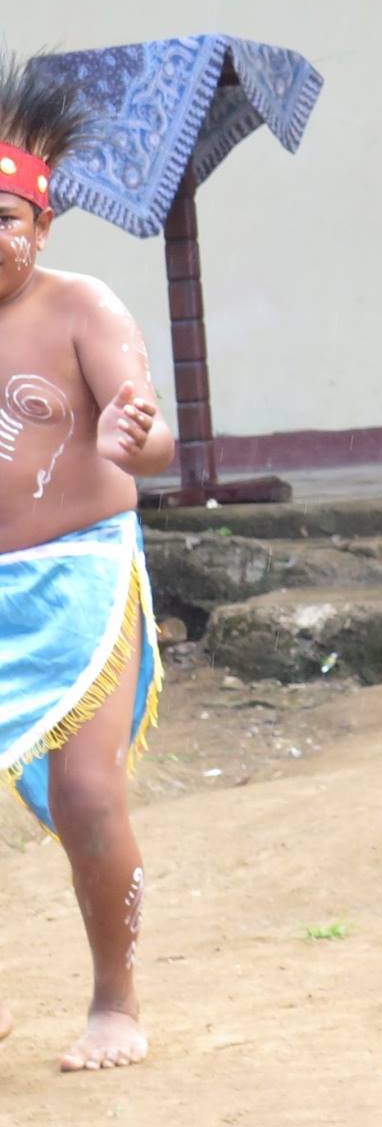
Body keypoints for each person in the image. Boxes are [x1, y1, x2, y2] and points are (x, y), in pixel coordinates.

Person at [0, 55, 172, 1072]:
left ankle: (117, 998)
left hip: (80, 578)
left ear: (41, 224)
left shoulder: (81, 308)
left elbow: (149, 441)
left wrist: (130, 436)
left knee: (88, 795)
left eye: (4, 220)